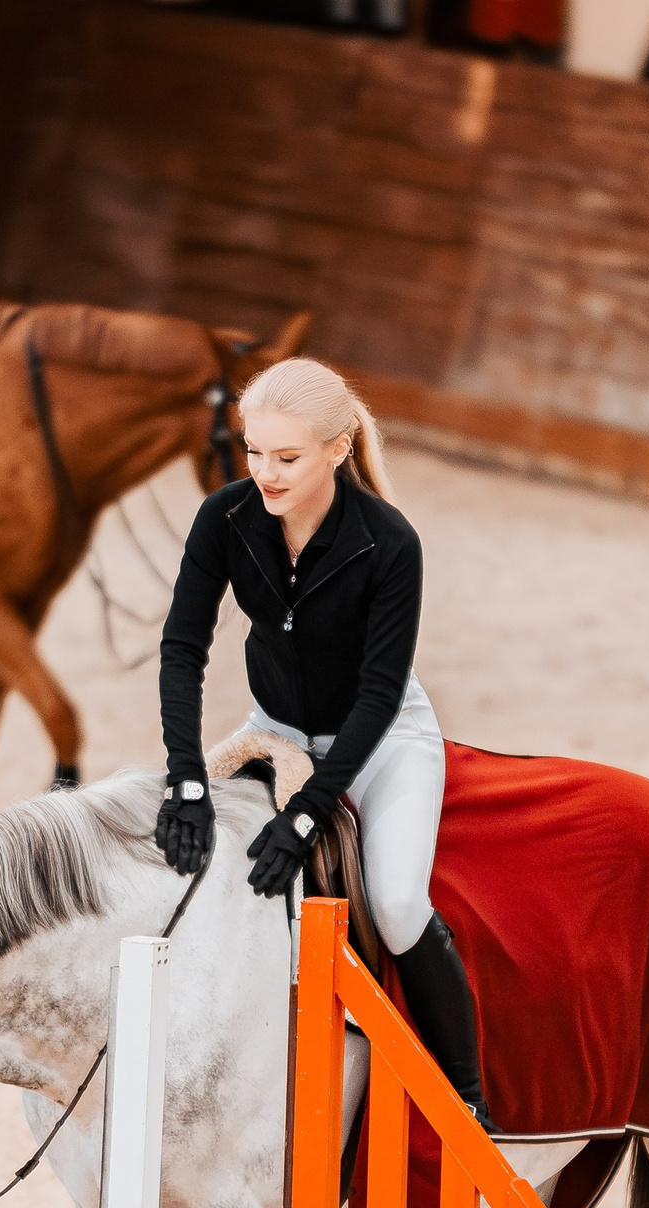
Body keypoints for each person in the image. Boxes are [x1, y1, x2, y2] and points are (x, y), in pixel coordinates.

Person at [155, 358, 490, 1126]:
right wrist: (186, 779)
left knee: (400, 904)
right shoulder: (225, 518)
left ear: (338, 451)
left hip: (381, 738)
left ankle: (470, 1101)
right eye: (253, 451)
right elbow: (183, 646)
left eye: (287, 457)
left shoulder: (389, 542)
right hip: (272, 729)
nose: (263, 473)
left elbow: (377, 694)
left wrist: (308, 811)